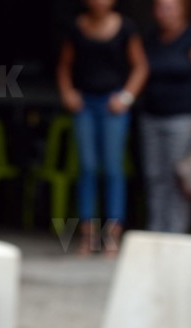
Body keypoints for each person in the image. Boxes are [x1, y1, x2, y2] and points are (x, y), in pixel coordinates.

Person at [57, 0, 148, 255]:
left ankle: (112, 236)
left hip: (112, 104)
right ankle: (87, 237)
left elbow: (140, 66)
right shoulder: (77, 27)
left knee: (112, 168)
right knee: (87, 167)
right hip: (85, 103)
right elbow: (65, 66)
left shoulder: (126, 27)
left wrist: (126, 97)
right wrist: (67, 92)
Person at [140, 0, 191, 233]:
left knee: (177, 178)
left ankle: (174, 232)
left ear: (182, 9)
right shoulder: (151, 37)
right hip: (152, 115)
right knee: (154, 176)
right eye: (160, 7)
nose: (165, 13)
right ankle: (156, 229)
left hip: (183, 117)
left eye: (170, 7)